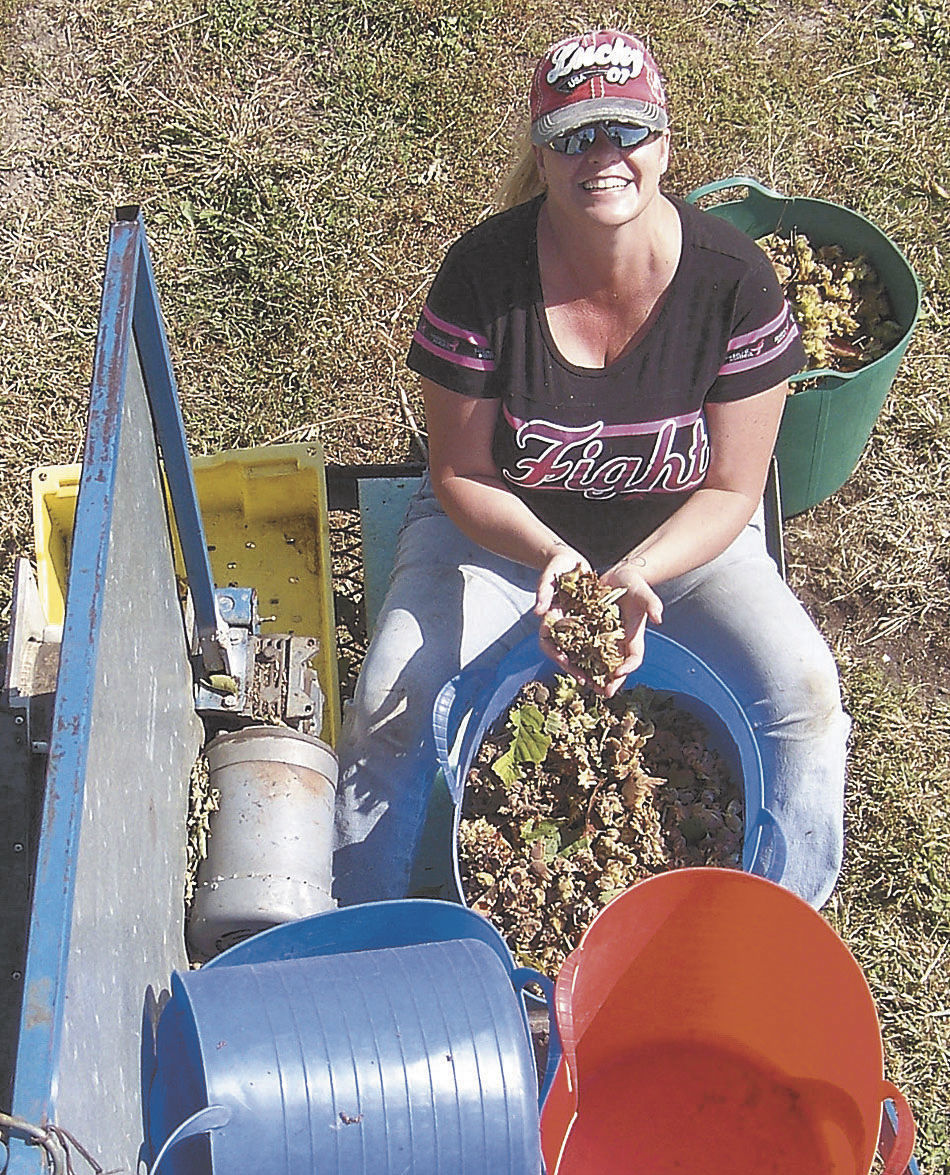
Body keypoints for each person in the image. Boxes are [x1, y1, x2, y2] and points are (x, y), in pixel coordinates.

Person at [332, 29, 849, 910]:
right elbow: (458, 472)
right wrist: (555, 563)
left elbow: (732, 487)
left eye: (628, 130)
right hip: (498, 539)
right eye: (576, 135)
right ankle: (361, 926)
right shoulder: (482, 278)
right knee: (389, 705)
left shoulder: (734, 283)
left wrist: (638, 571)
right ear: (542, 152)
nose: (604, 156)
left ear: (665, 141)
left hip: (683, 540)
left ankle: (776, 927)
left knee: (806, 702)